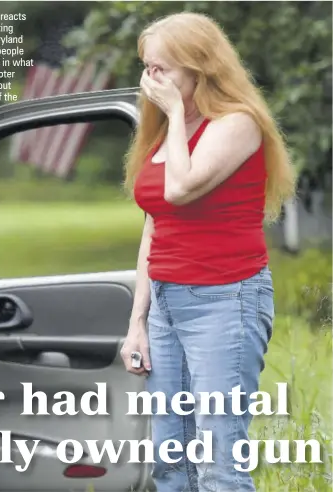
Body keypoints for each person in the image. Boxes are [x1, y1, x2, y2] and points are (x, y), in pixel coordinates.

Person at [118, 12, 297, 492]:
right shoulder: (163, 135)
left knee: (218, 462)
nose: (151, 80)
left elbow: (180, 188)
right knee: (171, 462)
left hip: (225, 301)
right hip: (166, 303)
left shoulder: (237, 124)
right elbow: (155, 224)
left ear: (200, 69)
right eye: (147, 67)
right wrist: (138, 322)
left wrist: (176, 113)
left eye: (163, 69)